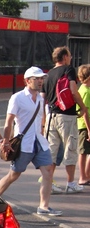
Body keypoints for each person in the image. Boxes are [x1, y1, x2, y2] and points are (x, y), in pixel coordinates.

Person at [0, 67, 62, 216]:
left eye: (42, 78)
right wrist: (6, 141)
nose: (40, 81)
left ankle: (43, 206)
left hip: (38, 141)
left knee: (48, 171)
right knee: (14, 174)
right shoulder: (17, 98)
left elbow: (41, 119)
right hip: (23, 143)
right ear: (27, 81)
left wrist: (43, 132)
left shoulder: (40, 98)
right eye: (37, 78)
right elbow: (9, 121)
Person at [42, 46, 87, 194]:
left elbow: (43, 98)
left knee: (51, 150)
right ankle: (70, 183)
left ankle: (49, 182)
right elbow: (73, 91)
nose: (71, 58)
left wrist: (43, 119)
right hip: (67, 115)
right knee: (71, 148)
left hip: (51, 116)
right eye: (70, 55)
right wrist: (83, 107)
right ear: (65, 57)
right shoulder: (69, 70)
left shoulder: (48, 75)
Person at [76, 64, 90, 185]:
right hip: (85, 126)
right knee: (83, 151)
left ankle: (86, 174)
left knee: (86, 151)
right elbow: (84, 111)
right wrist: (89, 129)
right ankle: (83, 176)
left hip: (86, 125)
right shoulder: (85, 91)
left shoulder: (85, 89)